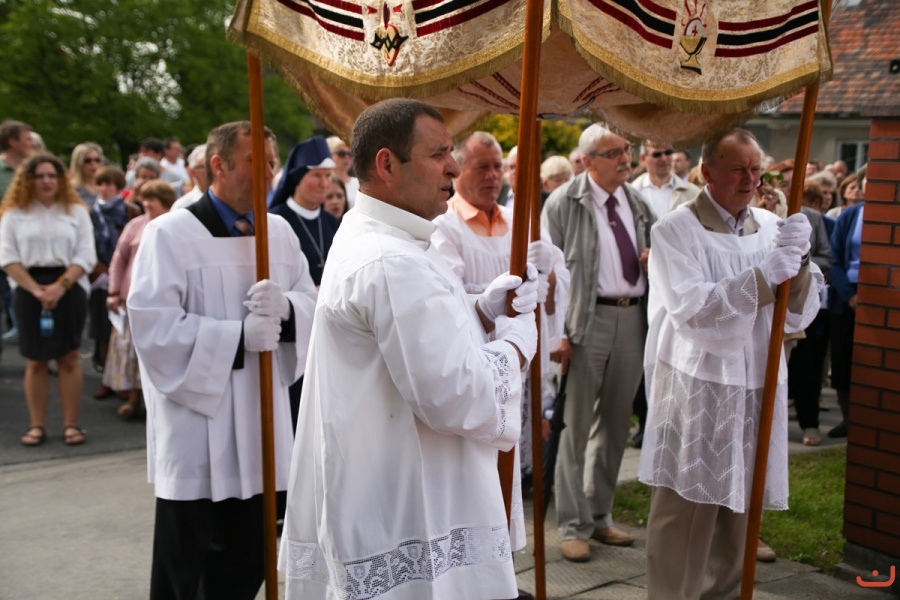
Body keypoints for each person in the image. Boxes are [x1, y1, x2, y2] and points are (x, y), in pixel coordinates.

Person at [279, 98, 539, 600]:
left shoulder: (378, 233)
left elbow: (404, 334)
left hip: (384, 480)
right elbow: (455, 393)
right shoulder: (392, 258)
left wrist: (480, 312)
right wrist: (517, 344)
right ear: (387, 164)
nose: (453, 168)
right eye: (438, 154)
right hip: (407, 501)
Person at [127, 121, 317, 600]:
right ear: (219, 165)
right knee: (185, 564)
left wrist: (288, 310)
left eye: (273, 162)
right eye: (257, 161)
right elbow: (153, 326)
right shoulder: (169, 234)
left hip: (260, 417)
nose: (270, 173)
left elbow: (313, 302)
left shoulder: (278, 232)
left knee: (250, 554)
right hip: (197, 421)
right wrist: (236, 337)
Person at [638, 129, 823, 599]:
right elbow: (695, 309)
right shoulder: (674, 231)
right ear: (707, 172)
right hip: (698, 381)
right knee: (685, 507)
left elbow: (795, 312)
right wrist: (763, 277)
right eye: (738, 169)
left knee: (740, 506)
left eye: (756, 169)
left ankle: (724, 592)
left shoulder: (770, 226)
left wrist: (800, 261)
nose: (750, 179)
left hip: (756, 377)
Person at [432, 130, 570, 531]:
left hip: (520, 363)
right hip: (477, 364)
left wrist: (550, 271)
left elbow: (553, 293)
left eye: (497, 167)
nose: (493, 175)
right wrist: (506, 294)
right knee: (475, 475)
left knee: (511, 475)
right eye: (482, 167)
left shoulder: (520, 221)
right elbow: (449, 294)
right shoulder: (444, 225)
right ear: (458, 170)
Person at [542, 123, 655, 562]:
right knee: (573, 427)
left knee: (616, 424)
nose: (625, 159)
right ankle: (573, 525)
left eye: (627, 149)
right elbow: (547, 274)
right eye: (613, 153)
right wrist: (558, 332)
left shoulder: (638, 202)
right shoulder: (563, 202)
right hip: (584, 324)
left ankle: (600, 514)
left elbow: (660, 256)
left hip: (633, 316)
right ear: (587, 161)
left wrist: (653, 261)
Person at [0, 153, 97, 446]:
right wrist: (36, 290)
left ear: (61, 179)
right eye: (40, 176)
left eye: (52, 175)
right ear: (28, 179)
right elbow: (7, 257)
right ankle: (36, 425)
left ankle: (71, 424)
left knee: (68, 358)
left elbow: (86, 255)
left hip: (69, 286)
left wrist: (60, 287)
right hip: (28, 289)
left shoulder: (76, 211)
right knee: (36, 361)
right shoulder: (13, 213)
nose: (46, 181)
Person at [104, 180, 175, 418]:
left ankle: (160, 404)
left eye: (152, 198)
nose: (146, 203)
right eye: (144, 198)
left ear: (165, 201)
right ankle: (134, 400)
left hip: (164, 301)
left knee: (160, 353)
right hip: (131, 299)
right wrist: (113, 291)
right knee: (132, 353)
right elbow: (118, 259)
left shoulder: (175, 224)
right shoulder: (134, 225)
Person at [787, 183, 833, 446]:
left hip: (800, 303)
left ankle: (810, 423)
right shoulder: (757, 213)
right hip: (765, 302)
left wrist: (802, 265)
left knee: (805, 366)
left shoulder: (813, 217)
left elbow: (827, 256)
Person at [827, 164, 867, 439]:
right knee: (842, 361)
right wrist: (850, 296)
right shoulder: (851, 215)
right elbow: (833, 258)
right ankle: (847, 419)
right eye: (869, 179)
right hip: (847, 298)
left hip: (881, 298)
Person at [269, 137, 340, 288]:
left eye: (328, 176)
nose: (324, 184)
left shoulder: (334, 223)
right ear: (298, 179)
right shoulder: (275, 221)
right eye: (317, 175)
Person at [0, 120, 36, 343]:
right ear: (12, 142)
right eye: (27, 138)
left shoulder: (35, 171)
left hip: (31, 248)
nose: (31, 143)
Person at [631, 142, 700, 218]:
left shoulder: (693, 193)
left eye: (668, 152)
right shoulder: (632, 192)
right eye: (657, 154)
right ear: (643, 158)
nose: (664, 158)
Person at [171, 144, 208, 209]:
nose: (214, 170)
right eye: (206, 166)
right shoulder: (182, 206)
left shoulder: (226, 201)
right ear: (192, 171)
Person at [326, 135, 360, 207]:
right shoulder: (324, 184)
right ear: (329, 155)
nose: (346, 157)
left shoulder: (360, 184)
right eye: (341, 153)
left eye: (350, 153)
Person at [69, 142, 105, 208]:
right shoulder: (71, 190)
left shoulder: (107, 187)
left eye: (97, 160)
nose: (93, 164)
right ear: (79, 163)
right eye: (88, 161)